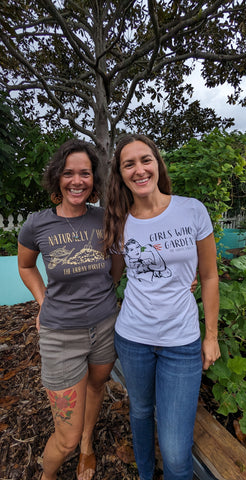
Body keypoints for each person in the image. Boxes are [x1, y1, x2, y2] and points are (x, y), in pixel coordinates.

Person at [104, 134, 221, 480]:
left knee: (175, 451)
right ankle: (143, 473)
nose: (139, 169)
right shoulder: (120, 221)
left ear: (157, 164)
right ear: (121, 173)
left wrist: (211, 335)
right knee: (139, 411)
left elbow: (210, 276)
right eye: (129, 164)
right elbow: (110, 280)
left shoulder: (191, 209)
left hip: (181, 343)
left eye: (145, 160)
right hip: (132, 338)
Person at [18, 138, 119, 480]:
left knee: (96, 385)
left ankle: (88, 446)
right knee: (65, 439)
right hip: (61, 335)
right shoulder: (37, 224)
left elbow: (115, 269)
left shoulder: (104, 219)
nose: (77, 180)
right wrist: (43, 300)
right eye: (69, 173)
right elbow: (26, 267)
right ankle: (49, 474)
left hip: (105, 327)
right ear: (57, 178)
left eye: (85, 174)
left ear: (94, 180)